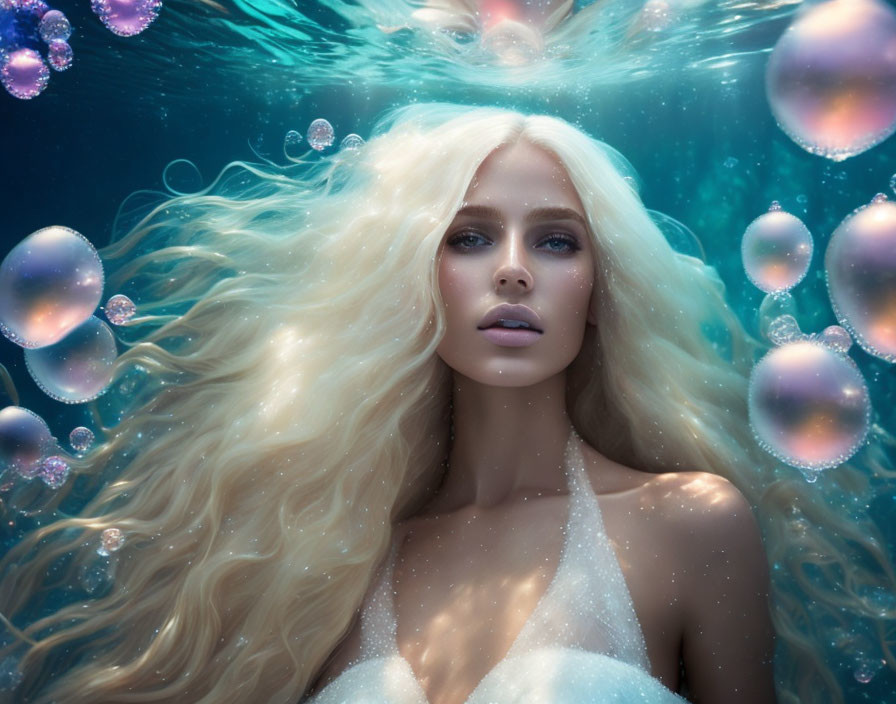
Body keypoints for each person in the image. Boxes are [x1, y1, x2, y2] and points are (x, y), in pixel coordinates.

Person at [0, 104, 886, 703]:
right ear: (411, 273)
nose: (511, 268)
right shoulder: (332, 565)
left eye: (555, 239)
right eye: (468, 236)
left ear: (601, 284)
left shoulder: (688, 525)